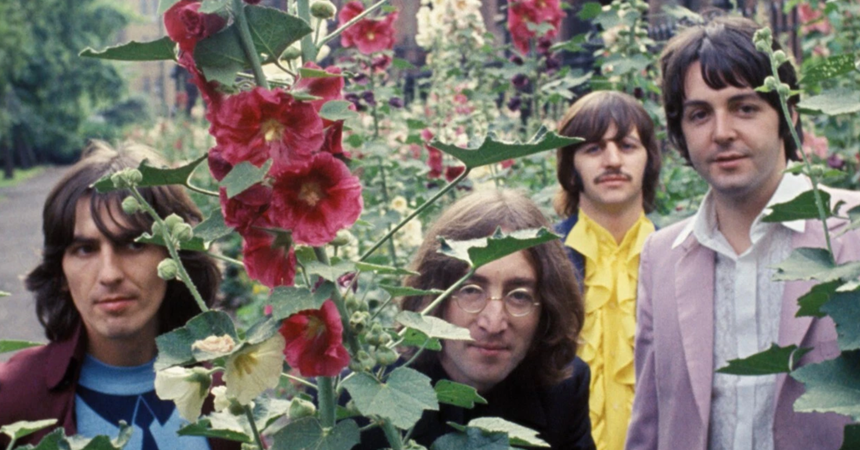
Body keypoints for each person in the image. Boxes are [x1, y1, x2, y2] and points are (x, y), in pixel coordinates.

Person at [626, 15, 856, 450]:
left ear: (787, 116)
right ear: (679, 133)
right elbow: (651, 420)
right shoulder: (662, 254)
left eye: (744, 107)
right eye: (699, 114)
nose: (722, 132)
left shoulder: (850, 228)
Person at [0, 141, 237, 450]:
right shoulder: (14, 396)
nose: (109, 274)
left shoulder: (225, 388)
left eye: (134, 244)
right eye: (85, 249)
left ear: (175, 258)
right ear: (60, 273)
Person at [394, 189, 594, 449]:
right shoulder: (372, 402)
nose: (493, 323)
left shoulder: (563, 390)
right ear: (434, 297)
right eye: (471, 291)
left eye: (519, 296)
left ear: (546, 308)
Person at [554, 90, 661, 450]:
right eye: (594, 148)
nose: (612, 160)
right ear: (571, 165)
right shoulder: (544, 261)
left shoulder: (683, 258)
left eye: (627, 145)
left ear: (650, 160)